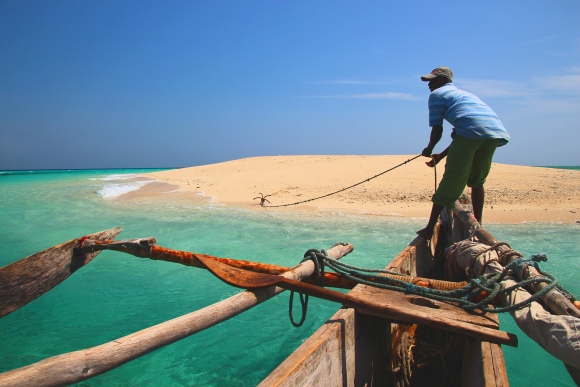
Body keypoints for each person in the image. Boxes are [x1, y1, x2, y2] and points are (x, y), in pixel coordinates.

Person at [417, 66, 510, 239]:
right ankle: (479, 225)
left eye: (433, 80)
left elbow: (438, 130)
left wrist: (429, 149)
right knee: (477, 180)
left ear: (445, 80)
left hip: (472, 133)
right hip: (493, 133)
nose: (429, 84)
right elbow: (467, 133)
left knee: (452, 180)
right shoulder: (467, 95)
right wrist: (440, 155)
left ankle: (429, 229)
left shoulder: (437, 95)